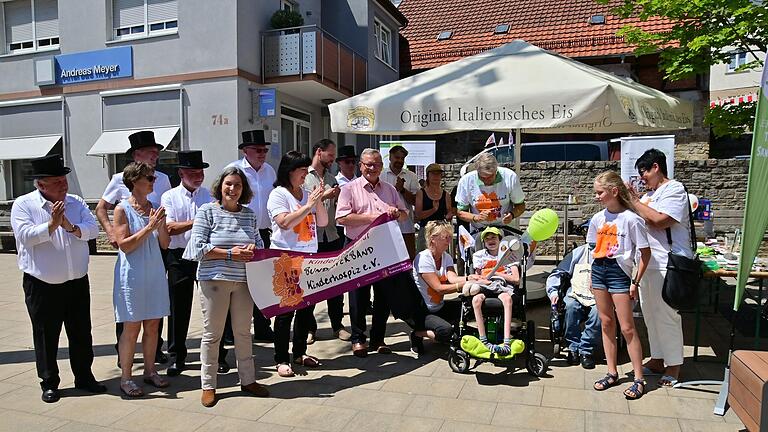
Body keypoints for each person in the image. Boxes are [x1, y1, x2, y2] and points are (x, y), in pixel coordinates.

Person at [10, 155, 107, 403]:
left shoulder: (75, 203)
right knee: (46, 335)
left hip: (76, 281)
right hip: (42, 284)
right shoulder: (24, 205)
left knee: (81, 332)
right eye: (57, 181)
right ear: (41, 185)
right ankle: (49, 382)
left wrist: (70, 227)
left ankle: (84, 377)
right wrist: (52, 225)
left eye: (64, 180)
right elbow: (25, 237)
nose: (64, 185)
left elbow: (93, 230)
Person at [184, 166, 270, 407]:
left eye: (238, 185)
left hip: (243, 282)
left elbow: (259, 244)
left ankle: (248, 380)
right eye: (228, 184)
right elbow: (197, 248)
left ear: (244, 190)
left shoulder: (250, 215)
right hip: (214, 280)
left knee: (243, 333)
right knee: (213, 335)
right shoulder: (207, 212)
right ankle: (208, 385)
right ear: (220, 187)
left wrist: (254, 249)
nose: (233, 189)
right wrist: (230, 254)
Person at [96, 130, 171, 364]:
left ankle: (154, 353)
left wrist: (161, 227)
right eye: (151, 152)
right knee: (129, 313)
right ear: (137, 154)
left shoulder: (163, 178)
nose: (155, 156)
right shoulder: (120, 178)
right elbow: (101, 208)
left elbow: (162, 213)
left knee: (154, 311)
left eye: (157, 152)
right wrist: (112, 233)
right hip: (133, 249)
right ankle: (124, 356)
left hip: (154, 252)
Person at [336, 148, 409, 357]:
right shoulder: (349, 189)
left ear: (381, 167)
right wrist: (373, 217)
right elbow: (341, 218)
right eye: (367, 164)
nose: (371, 168)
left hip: (384, 247)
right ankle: (358, 338)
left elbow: (404, 215)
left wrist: (397, 213)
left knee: (383, 295)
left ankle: (378, 338)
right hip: (357, 246)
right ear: (360, 166)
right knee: (358, 295)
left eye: (376, 164)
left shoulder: (389, 189)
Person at [628, 149, 690, 387]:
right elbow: (638, 218)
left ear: (656, 167)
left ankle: (674, 364)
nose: (642, 177)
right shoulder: (648, 196)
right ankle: (657, 357)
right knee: (650, 313)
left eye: (643, 171)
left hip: (668, 261)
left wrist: (634, 201)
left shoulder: (675, 189)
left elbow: (660, 220)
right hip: (647, 264)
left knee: (666, 315)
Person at [588, 171, 650, 400]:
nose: (597, 197)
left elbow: (645, 253)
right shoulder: (597, 219)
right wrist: (589, 275)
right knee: (606, 322)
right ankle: (612, 372)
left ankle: (638, 378)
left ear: (614, 192)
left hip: (619, 273)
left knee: (627, 327)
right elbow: (592, 249)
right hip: (599, 270)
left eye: (600, 192)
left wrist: (635, 281)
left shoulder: (631, 219)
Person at [112, 162, 171, 397]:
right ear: (134, 180)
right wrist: (149, 228)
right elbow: (125, 246)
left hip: (155, 270)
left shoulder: (156, 208)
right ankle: (126, 377)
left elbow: (164, 244)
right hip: (133, 273)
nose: (153, 181)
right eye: (149, 177)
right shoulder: (122, 209)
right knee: (132, 326)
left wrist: (162, 225)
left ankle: (150, 370)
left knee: (153, 324)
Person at [267, 151, 329, 377]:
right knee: (286, 313)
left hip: (309, 258)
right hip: (287, 258)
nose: (306, 175)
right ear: (289, 171)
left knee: (306, 309)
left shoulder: (306, 194)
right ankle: (281, 358)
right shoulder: (279, 194)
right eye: (302, 170)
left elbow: (322, 222)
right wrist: (306, 206)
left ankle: (300, 352)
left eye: (307, 171)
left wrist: (317, 200)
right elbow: (284, 223)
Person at [160, 151, 213, 376]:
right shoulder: (169, 197)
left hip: (205, 256)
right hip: (179, 257)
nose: (198, 176)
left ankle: (216, 355)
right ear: (181, 173)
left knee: (213, 307)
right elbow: (170, 228)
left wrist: (194, 223)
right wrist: (199, 220)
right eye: (192, 172)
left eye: (200, 172)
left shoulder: (209, 196)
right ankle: (176, 356)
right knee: (178, 308)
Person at [226, 130, 276, 342]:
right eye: (258, 150)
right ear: (245, 151)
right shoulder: (233, 170)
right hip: (239, 232)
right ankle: (228, 332)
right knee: (235, 284)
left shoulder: (269, 171)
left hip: (263, 233)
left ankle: (263, 327)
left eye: (264, 150)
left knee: (261, 283)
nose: (262, 153)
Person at [410, 221, 487, 356]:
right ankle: (417, 334)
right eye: (445, 237)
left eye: (450, 237)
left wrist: (471, 278)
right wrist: (462, 285)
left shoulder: (446, 257)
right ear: (433, 238)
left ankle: (455, 331)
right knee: (446, 331)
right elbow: (439, 288)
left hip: (438, 306)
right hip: (422, 311)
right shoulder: (423, 258)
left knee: (468, 307)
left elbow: (452, 278)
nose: (449, 240)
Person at [304, 139, 352, 344]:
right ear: (318, 152)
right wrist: (325, 195)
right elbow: (305, 203)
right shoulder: (304, 176)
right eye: (330, 155)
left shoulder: (332, 178)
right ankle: (308, 327)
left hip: (332, 235)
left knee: (336, 283)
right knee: (311, 284)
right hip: (311, 238)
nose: (333, 159)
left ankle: (337, 324)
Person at [463, 227, 520, 355]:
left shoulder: (508, 255)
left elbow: (516, 279)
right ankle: (483, 340)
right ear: (483, 242)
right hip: (485, 284)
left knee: (507, 299)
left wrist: (497, 273)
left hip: (503, 284)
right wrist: (485, 279)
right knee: (476, 300)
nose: (490, 240)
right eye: (487, 238)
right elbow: (478, 276)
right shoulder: (479, 255)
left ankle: (506, 341)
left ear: (500, 239)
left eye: (493, 237)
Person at [546, 244, 601, 369]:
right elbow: (558, 272)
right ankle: (573, 348)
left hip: (599, 293)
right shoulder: (578, 253)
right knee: (570, 306)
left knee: (598, 312)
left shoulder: (610, 252)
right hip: (576, 291)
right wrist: (553, 291)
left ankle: (586, 350)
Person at [455, 153, 525, 235]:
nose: (487, 180)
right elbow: (460, 212)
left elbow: (521, 205)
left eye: (490, 177)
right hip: (479, 230)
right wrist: (476, 217)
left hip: (506, 228)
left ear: (496, 170)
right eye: (483, 178)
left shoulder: (509, 177)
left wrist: (512, 215)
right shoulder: (466, 181)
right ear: (477, 172)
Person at [382, 145, 420, 260]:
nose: (399, 161)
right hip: (386, 226)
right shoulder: (381, 176)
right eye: (396, 157)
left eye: (402, 158)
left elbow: (415, 201)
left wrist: (402, 190)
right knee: (388, 259)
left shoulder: (411, 176)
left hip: (407, 226)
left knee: (409, 259)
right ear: (390, 157)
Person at [415, 163, 454, 250]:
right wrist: (433, 209)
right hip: (425, 231)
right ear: (428, 175)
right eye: (433, 173)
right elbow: (418, 215)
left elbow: (448, 214)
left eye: (438, 174)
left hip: (441, 231)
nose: (436, 176)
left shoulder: (446, 195)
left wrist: (449, 216)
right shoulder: (421, 193)